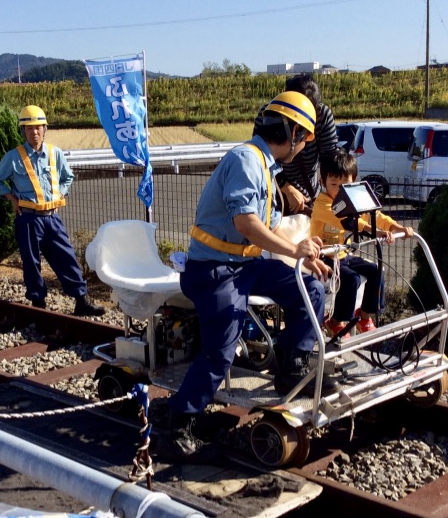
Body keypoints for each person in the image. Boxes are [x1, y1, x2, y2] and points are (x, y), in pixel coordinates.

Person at [153, 91, 337, 461]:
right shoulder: (245, 160)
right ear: (292, 133)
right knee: (220, 352)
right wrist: (293, 251)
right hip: (215, 271)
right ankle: (179, 422)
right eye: (303, 138)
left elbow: (263, 230)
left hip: (245, 266)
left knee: (311, 290)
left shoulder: (267, 167)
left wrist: (304, 251)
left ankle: (291, 365)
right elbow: (246, 223)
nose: (303, 148)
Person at [0, 105, 104, 317]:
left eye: (38, 127)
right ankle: (38, 304)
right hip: (28, 219)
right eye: (29, 128)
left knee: (66, 257)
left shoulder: (54, 153)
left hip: (52, 218)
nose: (34, 132)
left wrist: (61, 194)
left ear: (45, 129)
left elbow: (68, 176)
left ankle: (81, 300)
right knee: (31, 263)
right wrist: (12, 198)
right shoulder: (14, 157)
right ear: (22, 131)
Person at [310, 149, 415, 336]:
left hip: (342, 254)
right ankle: (335, 321)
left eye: (345, 185)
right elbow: (346, 220)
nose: (339, 190)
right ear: (322, 182)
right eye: (334, 184)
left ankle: (364, 316)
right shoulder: (323, 203)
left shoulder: (352, 198)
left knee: (376, 270)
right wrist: (376, 231)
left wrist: (396, 228)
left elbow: (375, 215)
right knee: (351, 278)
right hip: (323, 256)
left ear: (354, 182)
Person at [276, 73, 338, 216]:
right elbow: (265, 160)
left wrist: (330, 196)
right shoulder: (271, 114)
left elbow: (330, 160)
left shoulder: (322, 114)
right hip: (276, 198)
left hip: (311, 197)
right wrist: (288, 189)